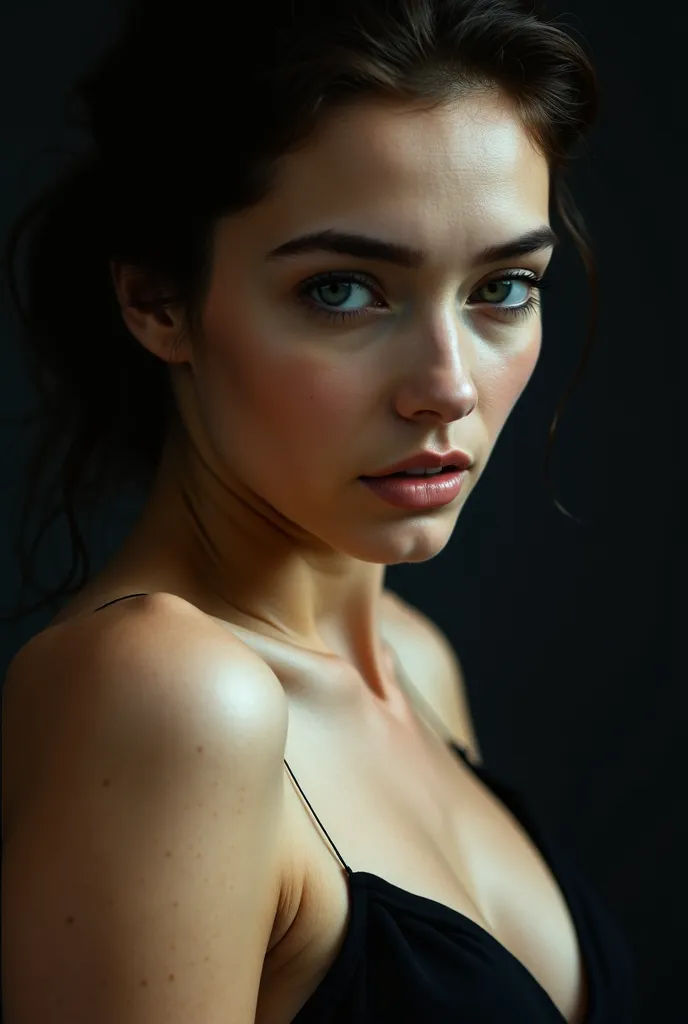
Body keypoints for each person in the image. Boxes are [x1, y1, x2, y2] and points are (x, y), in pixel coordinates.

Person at [2, 1, 635, 1022]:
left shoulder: (413, 661)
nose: (447, 386)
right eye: (344, 291)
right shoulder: (167, 696)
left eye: (504, 287)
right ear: (158, 298)